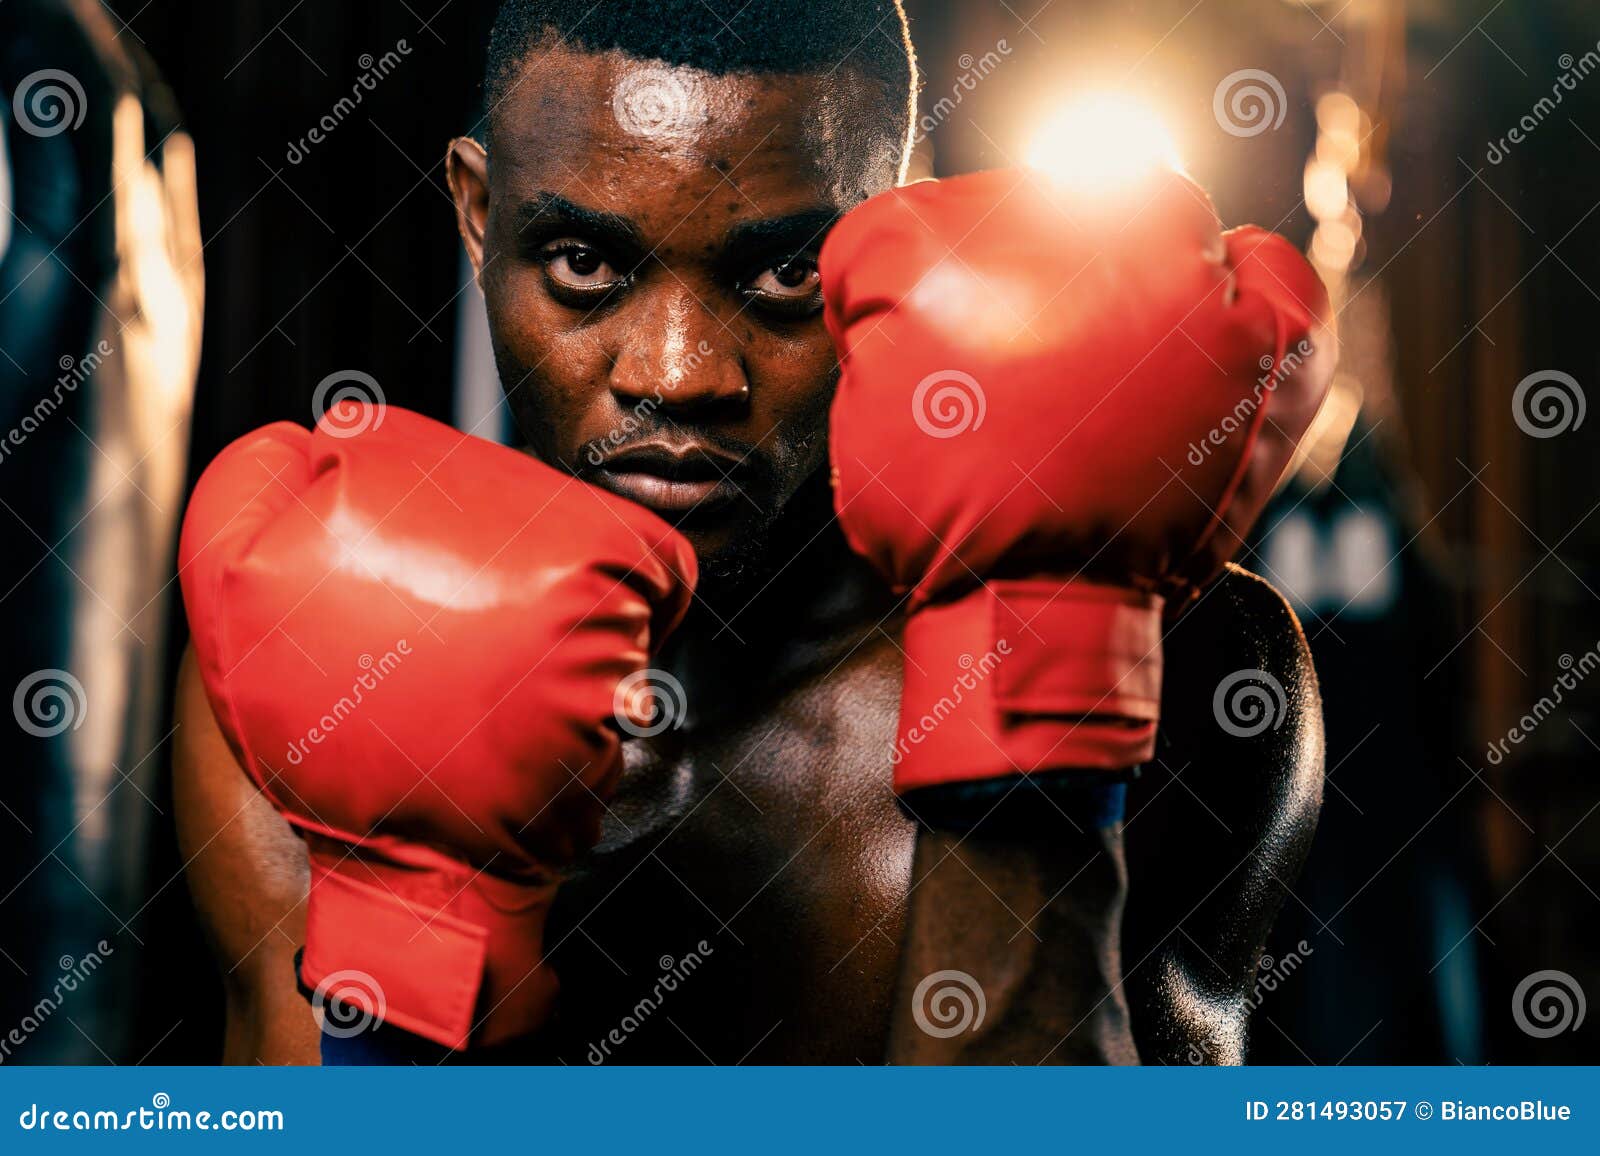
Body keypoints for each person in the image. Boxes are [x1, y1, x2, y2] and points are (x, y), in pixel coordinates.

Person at [173, 0, 1330, 1065]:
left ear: (897, 233)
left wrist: (1034, 669)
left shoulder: (1189, 657)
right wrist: (407, 973)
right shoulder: (308, 649)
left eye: (785, 273)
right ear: (478, 214)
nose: (676, 375)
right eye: (584, 264)